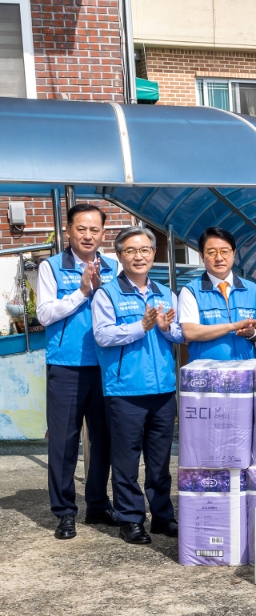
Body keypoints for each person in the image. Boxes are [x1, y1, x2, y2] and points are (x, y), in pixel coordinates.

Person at [92, 226, 184, 544]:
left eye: (144, 249)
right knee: (127, 460)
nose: (138, 256)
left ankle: (162, 517)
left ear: (153, 254)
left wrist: (166, 327)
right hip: (125, 390)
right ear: (119, 256)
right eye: (131, 250)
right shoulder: (107, 293)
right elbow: (103, 336)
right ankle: (131, 519)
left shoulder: (165, 293)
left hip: (162, 390)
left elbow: (178, 334)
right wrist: (140, 326)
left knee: (160, 460)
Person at [36, 203, 119, 540]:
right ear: (68, 231)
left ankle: (97, 505)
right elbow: (44, 314)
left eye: (94, 230)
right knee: (64, 444)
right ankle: (65, 512)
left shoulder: (115, 267)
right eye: (81, 229)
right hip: (67, 367)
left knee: (104, 442)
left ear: (103, 233)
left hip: (107, 367)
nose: (88, 235)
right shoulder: (51, 267)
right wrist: (83, 291)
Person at [178, 227, 256, 360]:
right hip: (207, 375)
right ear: (201, 255)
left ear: (233, 254)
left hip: (245, 372)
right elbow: (190, 332)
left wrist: (252, 333)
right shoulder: (190, 291)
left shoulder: (251, 289)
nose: (219, 258)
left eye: (224, 252)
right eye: (211, 252)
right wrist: (233, 326)